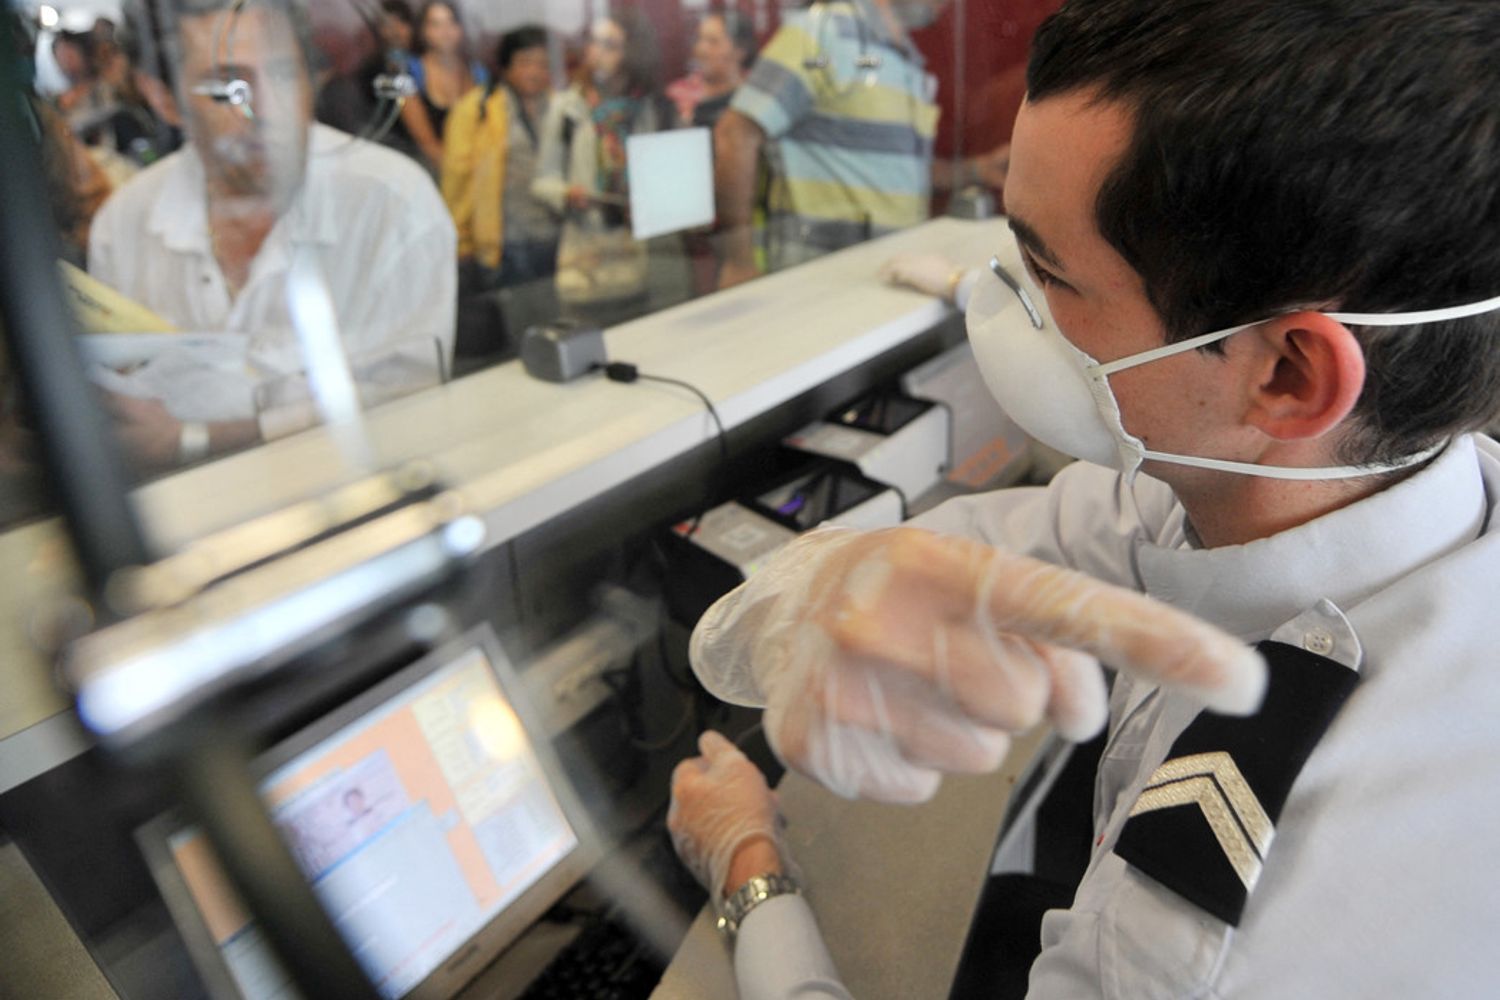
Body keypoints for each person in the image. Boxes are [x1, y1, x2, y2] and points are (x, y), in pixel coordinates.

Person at [673, 0, 1500, 996]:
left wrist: (747, 870)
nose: (1004, 302)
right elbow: (962, 551)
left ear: (1288, 376)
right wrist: (815, 602)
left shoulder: (1227, 934)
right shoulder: (1262, 493)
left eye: (1048, 272)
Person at [87, 0, 456, 469]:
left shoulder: (390, 203)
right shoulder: (125, 224)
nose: (268, 112)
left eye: (283, 75)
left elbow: (410, 404)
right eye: (229, 87)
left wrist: (197, 439)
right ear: (163, 99)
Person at [713, 0, 1009, 287]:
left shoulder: (903, 55)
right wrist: (739, 261)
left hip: (885, 277)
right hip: (818, 280)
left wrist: (975, 171)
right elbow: (736, 134)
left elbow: (897, 170)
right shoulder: (822, 31)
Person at [531, 9, 664, 325]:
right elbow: (543, 179)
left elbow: (655, 174)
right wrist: (567, 193)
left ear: (630, 53)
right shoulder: (569, 107)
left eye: (610, 45)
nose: (598, 53)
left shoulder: (640, 108)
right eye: (593, 42)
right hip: (584, 255)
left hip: (632, 256)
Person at [441, 24, 559, 292]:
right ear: (506, 66)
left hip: (557, 237)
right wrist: (461, 242)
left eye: (542, 64)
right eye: (525, 62)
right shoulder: (475, 110)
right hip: (507, 243)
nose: (535, 71)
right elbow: (457, 179)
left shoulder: (560, 106)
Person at [398, 0, 486, 175]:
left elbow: (487, 131)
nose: (445, 32)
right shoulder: (407, 73)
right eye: (435, 24)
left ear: (461, 29)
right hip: (428, 171)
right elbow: (427, 144)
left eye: (451, 22)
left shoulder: (478, 73)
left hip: (477, 169)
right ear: (423, 32)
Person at [669, 10, 755, 131]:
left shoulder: (757, 96)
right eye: (699, 39)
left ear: (740, 51)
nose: (701, 49)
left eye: (713, 42)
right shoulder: (678, 94)